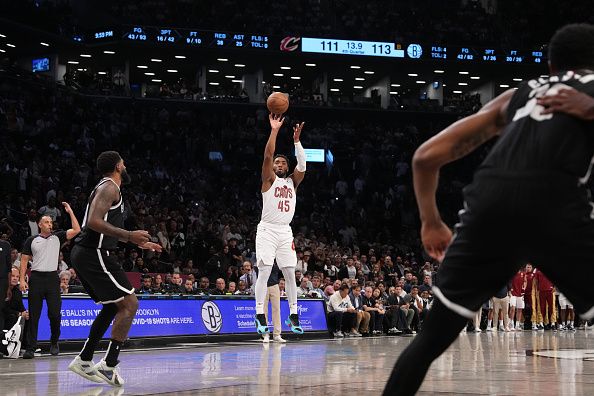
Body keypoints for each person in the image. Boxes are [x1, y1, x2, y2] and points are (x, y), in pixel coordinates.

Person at [384, 23, 594, 395]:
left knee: (430, 339)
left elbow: (424, 157)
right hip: (554, 206)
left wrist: (431, 222)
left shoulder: (519, 95)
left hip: (487, 208)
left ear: (549, 67)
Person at [67, 151, 161, 386]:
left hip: (88, 252)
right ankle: (108, 365)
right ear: (119, 166)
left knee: (112, 307)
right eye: (124, 163)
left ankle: (85, 359)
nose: (126, 165)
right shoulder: (110, 188)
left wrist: (139, 241)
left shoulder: (106, 187)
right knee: (130, 304)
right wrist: (129, 236)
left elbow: (103, 228)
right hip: (92, 253)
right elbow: (94, 223)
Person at [254, 115, 306, 336]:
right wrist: (274, 130)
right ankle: (259, 314)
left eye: (283, 162)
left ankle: (293, 314)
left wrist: (296, 141)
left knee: (290, 273)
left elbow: (302, 165)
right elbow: (267, 154)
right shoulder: (269, 180)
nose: (280, 164)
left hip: (285, 231)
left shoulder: (293, 182)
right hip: (267, 229)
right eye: (277, 162)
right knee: (265, 270)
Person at [19, 202, 80, 359]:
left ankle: (54, 342)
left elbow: (77, 230)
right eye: (46, 222)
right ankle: (31, 347)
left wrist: (70, 211)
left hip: (53, 278)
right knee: (34, 315)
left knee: (54, 314)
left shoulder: (57, 237)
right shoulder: (31, 240)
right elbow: (24, 260)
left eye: (51, 222)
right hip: (37, 278)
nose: (49, 224)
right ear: (40, 224)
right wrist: (21, 279)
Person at [262, 263, 285, 343]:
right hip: (263, 285)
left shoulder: (275, 263)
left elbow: (277, 270)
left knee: (276, 310)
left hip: (275, 285)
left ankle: (277, 334)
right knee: (263, 311)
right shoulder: (261, 260)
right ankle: (265, 334)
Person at [0, 237, 11, 332]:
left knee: (1, 310)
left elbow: (9, 268)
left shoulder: (5, 245)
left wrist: (9, 288)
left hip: (2, 283)